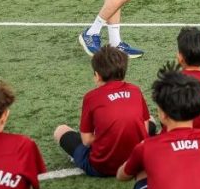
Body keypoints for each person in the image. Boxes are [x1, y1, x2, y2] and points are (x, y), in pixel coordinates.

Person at [53, 45, 149, 177]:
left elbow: (86, 140)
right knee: (150, 120)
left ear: (97, 76)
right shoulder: (135, 90)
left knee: (60, 130)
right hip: (136, 163)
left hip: (101, 167)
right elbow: (146, 129)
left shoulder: (91, 97)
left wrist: (107, 134)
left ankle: (78, 158)